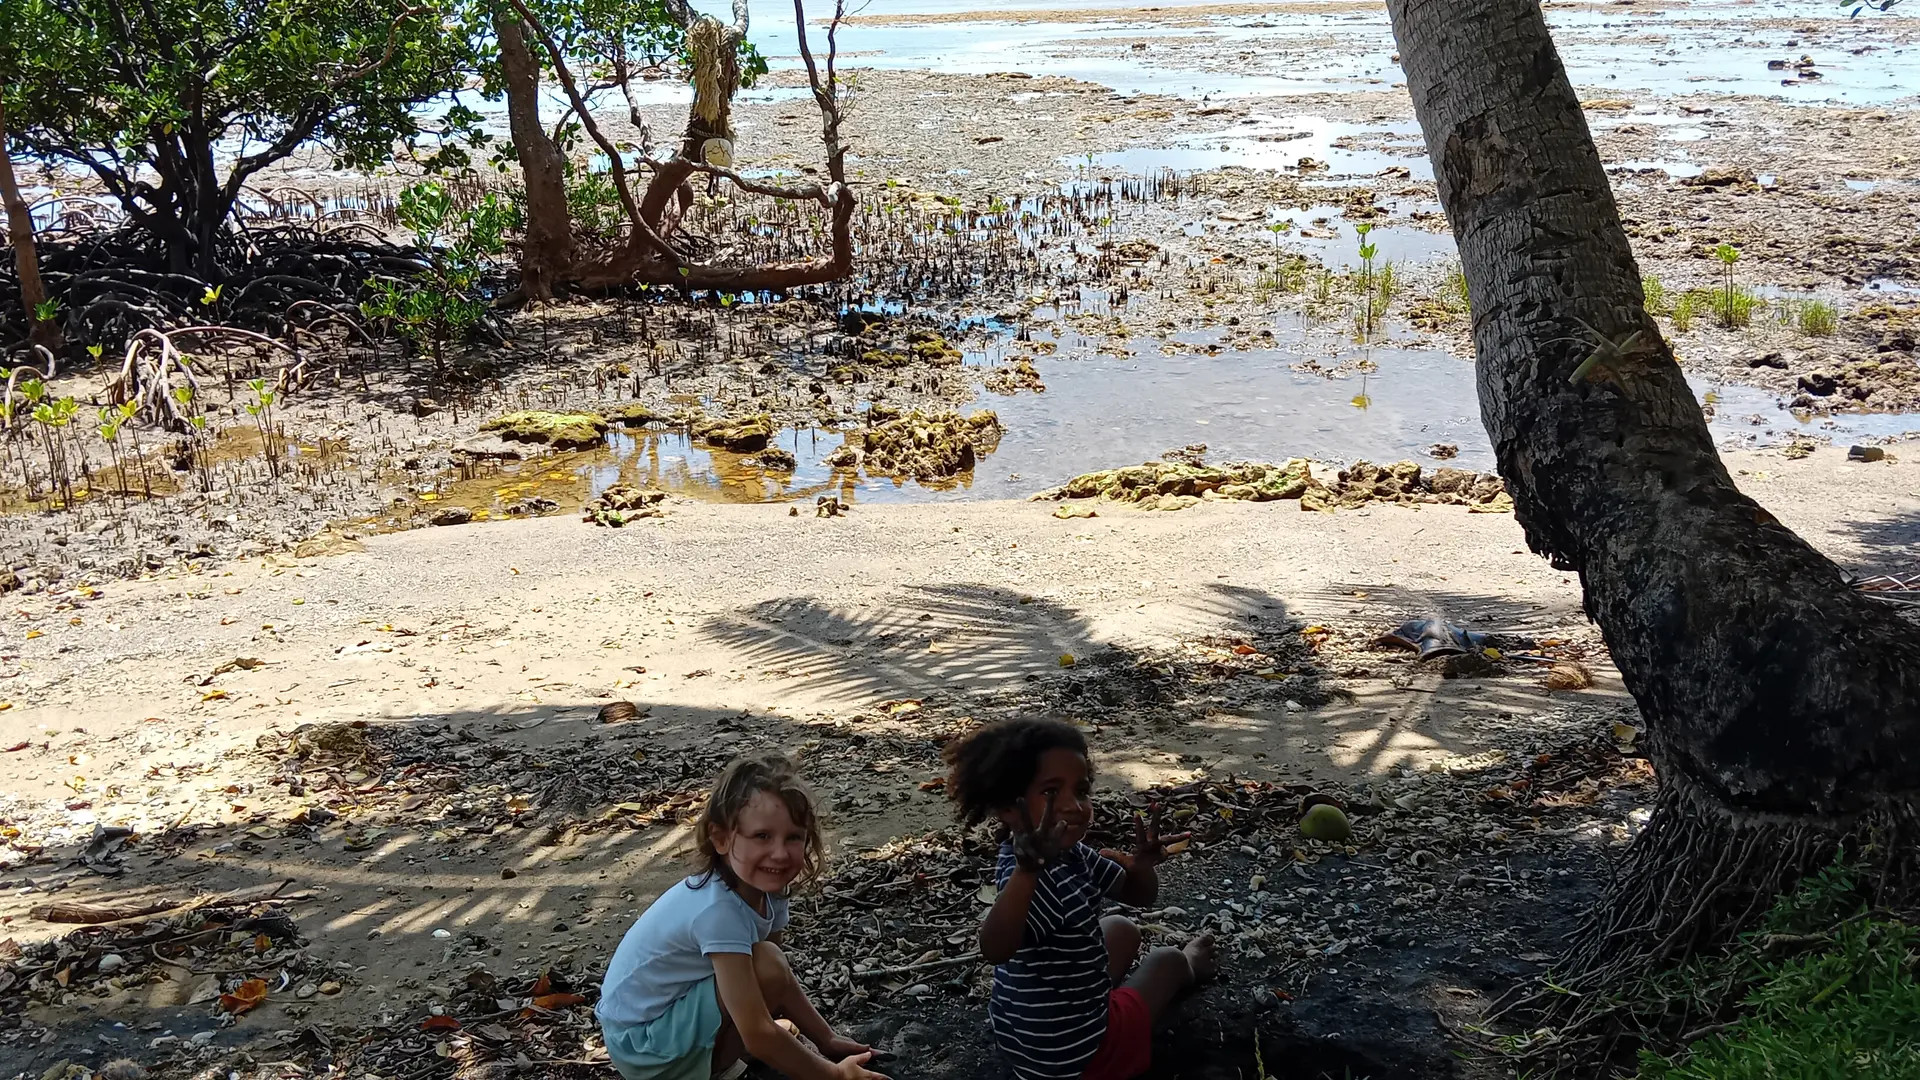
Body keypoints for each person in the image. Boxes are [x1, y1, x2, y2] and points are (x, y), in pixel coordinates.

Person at [944, 718, 1218, 1080]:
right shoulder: (1028, 875)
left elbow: (1138, 896)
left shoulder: (1070, 854)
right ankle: (1190, 967)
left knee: (1121, 927)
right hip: (1078, 1057)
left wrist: (1141, 866)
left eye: (1082, 790)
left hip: (1028, 1029)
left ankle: (1095, 999)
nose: (1075, 806)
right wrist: (1027, 875)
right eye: (1051, 792)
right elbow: (995, 948)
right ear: (1008, 808)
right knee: (1166, 960)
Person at [599, 753, 888, 1080]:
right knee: (764, 970)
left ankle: (719, 1052)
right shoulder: (718, 911)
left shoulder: (769, 888)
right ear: (721, 839)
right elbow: (760, 1030)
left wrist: (827, 1039)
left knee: (768, 962)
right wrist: (834, 1075)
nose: (780, 853)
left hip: (667, 1017)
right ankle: (714, 1068)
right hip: (641, 1045)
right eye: (762, 836)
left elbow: (778, 979)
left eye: (793, 837)